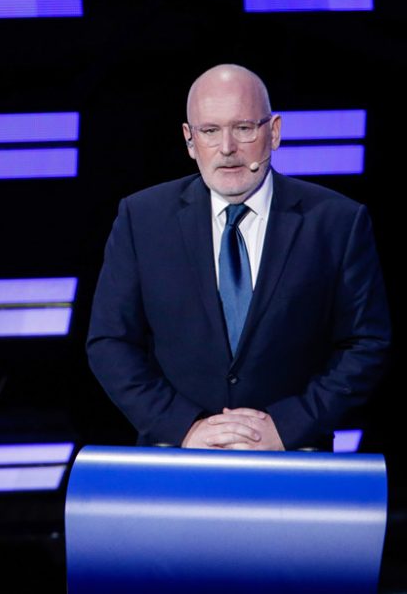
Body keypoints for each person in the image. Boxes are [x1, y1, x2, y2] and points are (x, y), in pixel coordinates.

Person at [86, 64, 390, 450]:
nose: (226, 147)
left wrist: (287, 427)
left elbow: (367, 343)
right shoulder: (141, 219)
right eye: (210, 131)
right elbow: (110, 342)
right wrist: (185, 427)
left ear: (274, 131)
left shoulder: (337, 222)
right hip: (176, 459)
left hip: (295, 460)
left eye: (244, 128)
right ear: (190, 140)